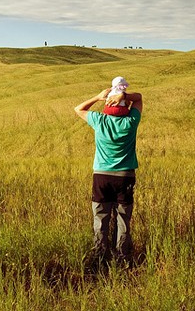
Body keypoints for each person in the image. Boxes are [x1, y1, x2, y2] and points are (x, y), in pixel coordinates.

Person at [74, 84, 143, 270]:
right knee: (123, 219)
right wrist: (125, 95)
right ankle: (123, 258)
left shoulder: (99, 120)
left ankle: (99, 257)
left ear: (108, 108)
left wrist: (97, 97)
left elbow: (78, 109)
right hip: (125, 176)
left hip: (101, 177)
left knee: (101, 217)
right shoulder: (130, 122)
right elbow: (139, 98)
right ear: (124, 109)